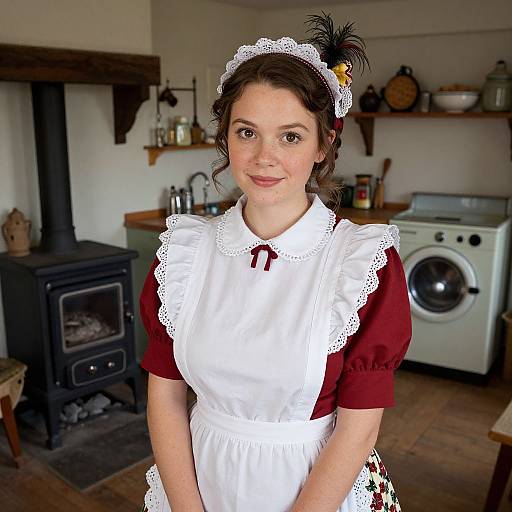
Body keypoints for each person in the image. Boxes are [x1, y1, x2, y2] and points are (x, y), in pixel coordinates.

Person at [140, 12, 412, 512]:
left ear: (323, 144)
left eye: (290, 136)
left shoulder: (362, 265)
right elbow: (166, 398)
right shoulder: (183, 255)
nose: (265, 156)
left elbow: (360, 426)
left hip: (315, 490)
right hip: (199, 481)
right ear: (225, 137)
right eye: (247, 132)